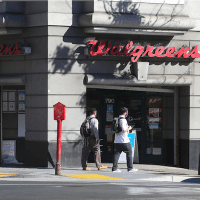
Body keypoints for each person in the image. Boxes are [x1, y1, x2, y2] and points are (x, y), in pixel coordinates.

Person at [112, 107, 138, 172]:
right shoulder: (123, 120)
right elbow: (124, 129)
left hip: (117, 140)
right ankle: (130, 168)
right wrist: (129, 128)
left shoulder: (117, 119)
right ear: (125, 113)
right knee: (129, 152)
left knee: (117, 154)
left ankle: (114, 168)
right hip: (124, 140)